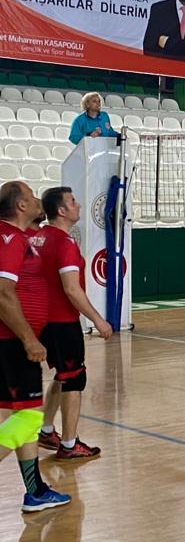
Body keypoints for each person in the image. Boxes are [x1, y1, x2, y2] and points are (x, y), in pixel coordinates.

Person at [0, 181, 72, 511]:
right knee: (30, 420)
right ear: (20, 206)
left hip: (11, 342)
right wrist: (30, 339)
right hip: (13, 343)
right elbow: (3, 294)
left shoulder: (19, 236)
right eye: (30, 197)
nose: (36, 199)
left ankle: (35, 492)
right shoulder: (11, 239)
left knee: (20, 417)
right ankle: (36, 491)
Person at [34, 187, 114, 459]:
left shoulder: (37, 238)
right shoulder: (64, 243)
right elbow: (71, 289)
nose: (78, 205)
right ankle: (69, 445)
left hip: (41, 320)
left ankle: (46, 431)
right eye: (73, 201)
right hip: (61, 322)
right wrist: (98, 320)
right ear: (61, 211)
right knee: (74, 379)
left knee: (62, 375)